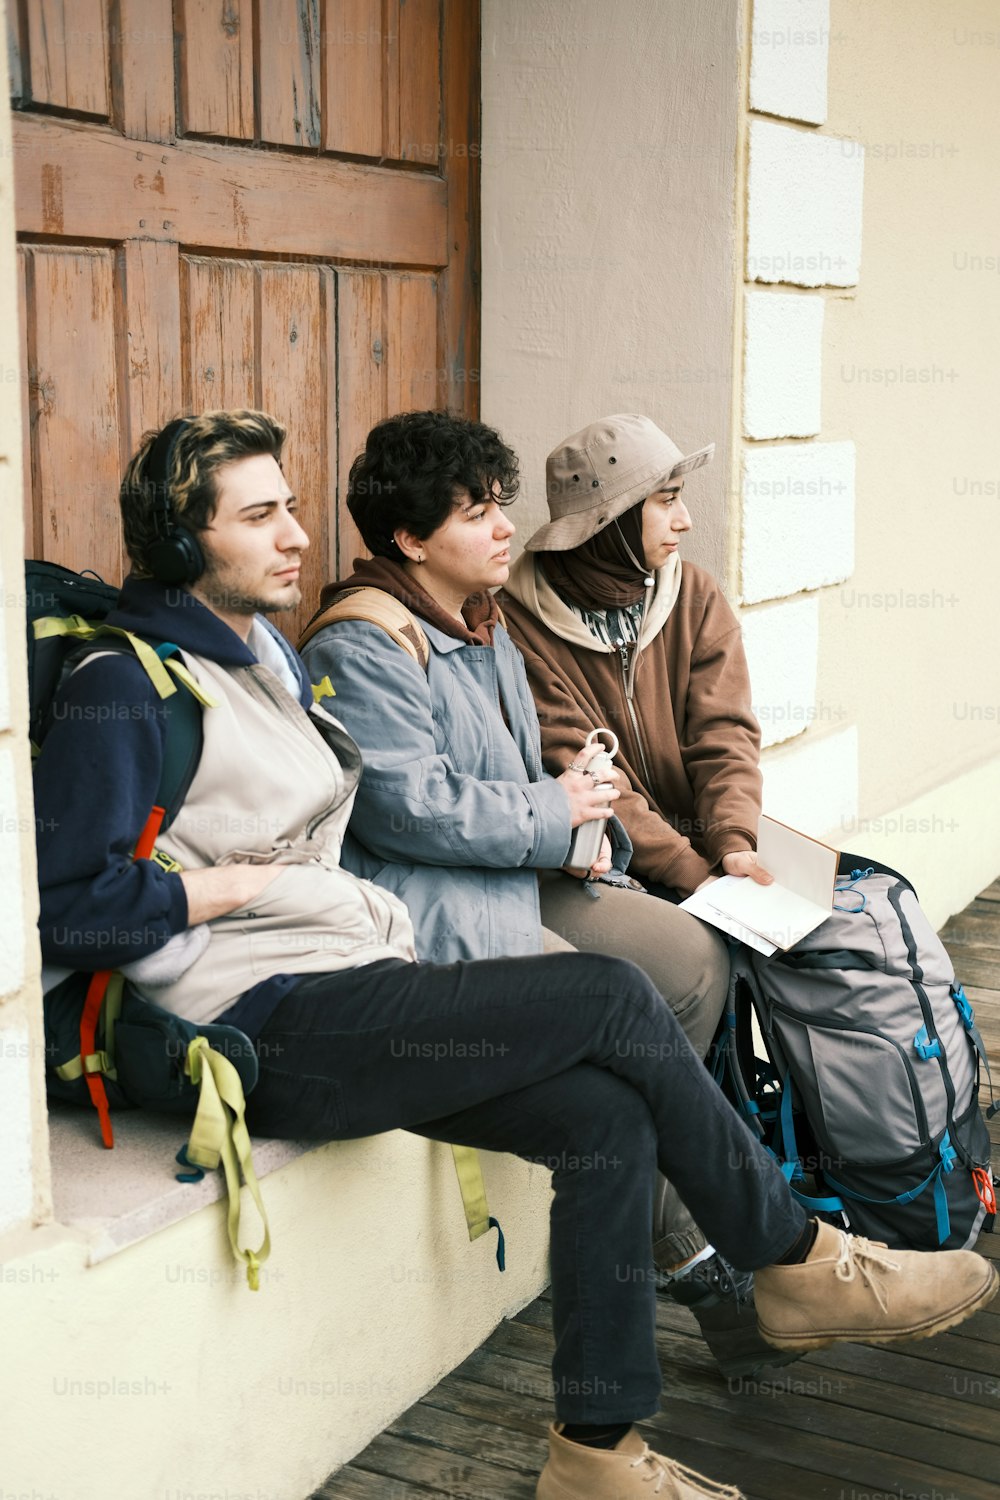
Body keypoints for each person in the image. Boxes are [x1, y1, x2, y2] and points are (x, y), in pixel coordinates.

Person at [32, 410, 997, 1500]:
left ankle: (595, 1454)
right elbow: (68, 910)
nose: (296, 534)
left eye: (291, 506)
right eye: (259, 516)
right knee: (611, 995)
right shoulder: (121, 681)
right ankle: (793, 1260)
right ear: (176, 543)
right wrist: (242, 884)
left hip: (353, 985)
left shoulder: (256, 651)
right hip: (252, 1024)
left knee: (602, 1119)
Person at [298, 410, 765, 1377]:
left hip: (520, 873)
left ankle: (655, 1204)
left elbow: (525, 781)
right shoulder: (363, 643)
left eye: (502, 505)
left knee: (691, 956)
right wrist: (554, 815)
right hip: (432, 901)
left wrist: (583, 836)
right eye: (477, 513)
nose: (506, 528)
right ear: (410, 540)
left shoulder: (484, 625)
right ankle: (693, 1245)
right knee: (615, 1042)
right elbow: (409, 813)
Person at [498, 413, 771, 900]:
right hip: (607, 867)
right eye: (666, 500)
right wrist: (690, 872)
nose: (684, 519)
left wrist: (732, 839)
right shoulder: (516, 626)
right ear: (615, 520)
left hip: (712, 853)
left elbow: (724, 734)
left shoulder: (696, 597)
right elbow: (586, 772)